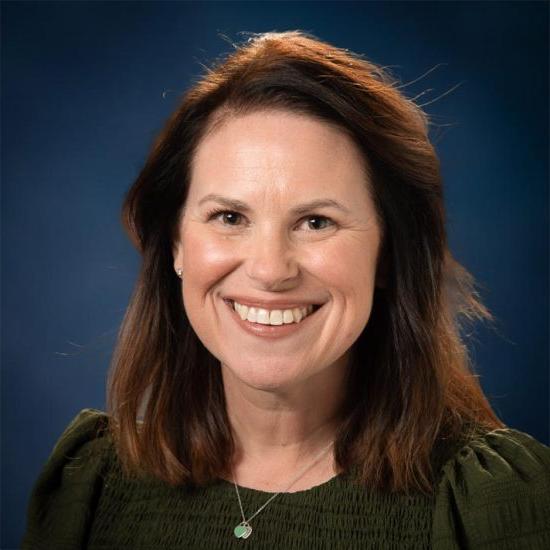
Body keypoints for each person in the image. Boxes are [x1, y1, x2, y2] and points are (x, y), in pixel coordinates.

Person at [22, 30, 550, 549]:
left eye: (316, 222)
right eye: (229, 216)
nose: (271, 270)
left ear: (389, 254)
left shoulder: (492, 500)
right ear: (176, 245)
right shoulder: (91, 484)